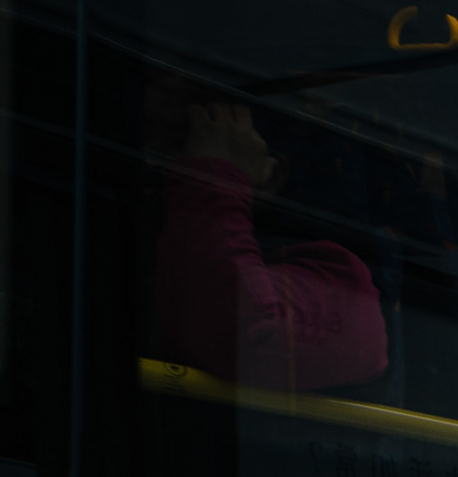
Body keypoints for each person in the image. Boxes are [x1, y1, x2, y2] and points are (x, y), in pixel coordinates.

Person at [152, 88, 388, 393]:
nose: (155, 162)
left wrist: (215, 181)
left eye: (184, 144)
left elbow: (245, 337)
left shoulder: (339, 281)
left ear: (271, 171)